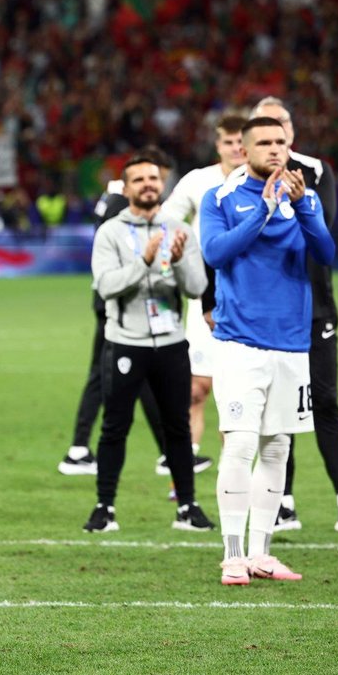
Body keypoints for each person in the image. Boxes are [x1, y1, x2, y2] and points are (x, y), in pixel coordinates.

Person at [200, 116, 334, 585]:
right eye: (264, 142)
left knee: (277, 447)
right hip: (240, 342)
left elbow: (326, 253)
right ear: (243, 149)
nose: (275, 150)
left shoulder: (307, 197)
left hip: (293, 344)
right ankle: (232, 555)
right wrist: (263, 208)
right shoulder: (220, 198)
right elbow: (215, 254)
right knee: (239, 442)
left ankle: (262, 552)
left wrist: (302, 209)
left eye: (281, 142)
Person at [250, 97, 338, 534]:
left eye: (280, 126)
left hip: (314, 307)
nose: (273, 138)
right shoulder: (239, 182)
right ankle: (282, 502)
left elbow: (320, 234)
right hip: (266, 314)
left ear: (291, 132)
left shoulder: (316, 170)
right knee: (275, 411)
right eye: (263, 128)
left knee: (325, 401)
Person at [84, 152, 214, 533]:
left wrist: (175, 261)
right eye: (139, 179)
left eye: (153, 179)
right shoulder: (109, 232)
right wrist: (142, 261)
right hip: (126, 342)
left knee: (177, 426)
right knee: (115, 426)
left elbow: (197, 288)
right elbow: (105, 286)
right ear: (125, 189)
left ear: (163, 185)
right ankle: (104, 507)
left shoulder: (180, 230)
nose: (147, 185)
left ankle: (187, 507)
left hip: (172, 342)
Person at [59, 148, 207, 481]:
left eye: (156, 178)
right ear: (129, 183)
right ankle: (84, 450)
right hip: (119, 307)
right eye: (147, 177)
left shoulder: (114, 201)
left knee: (125, 381)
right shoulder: (119, 210)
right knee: (112, 381)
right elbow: (111, 258)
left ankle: (89, 448)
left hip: (135, 311)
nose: (154, 184)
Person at [159, 114, 248, 467]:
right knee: (196, 389)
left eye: (241, 141)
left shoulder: (260, 182)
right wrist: (173, 255)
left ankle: (234, 467)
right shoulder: (199, 181)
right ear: (218, 145)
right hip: (203, 295)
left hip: (246, 296)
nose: (236, 148)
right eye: (229, 142)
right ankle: (185, 463)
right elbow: (167, 219)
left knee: (238, 392)